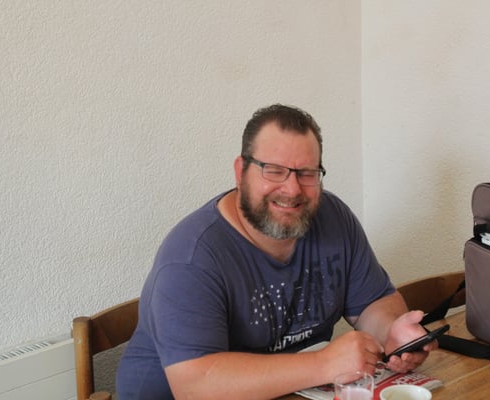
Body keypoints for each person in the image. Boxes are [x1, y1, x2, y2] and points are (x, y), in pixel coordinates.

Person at [116, 104, 435, 400]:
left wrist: (392, 333)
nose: (292, 189)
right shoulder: (191, 257)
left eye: (306, 173)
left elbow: (372, 302)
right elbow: (196, 386)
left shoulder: (334, 218)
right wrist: (325, 363)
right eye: (273, 170)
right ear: (240, 172)